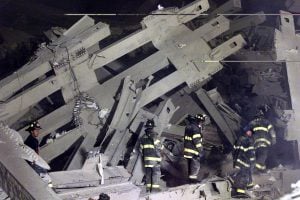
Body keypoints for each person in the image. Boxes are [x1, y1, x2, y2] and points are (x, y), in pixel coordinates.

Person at [229, 126, 255, 198]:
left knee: (239, 176)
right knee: (243, 177)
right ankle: (239, 193)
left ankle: (237, 191)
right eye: (250, 132)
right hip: (245, 162)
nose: (251, 134)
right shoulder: (249, 141)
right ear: (248, 132)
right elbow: (251, 154)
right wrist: (252, 163)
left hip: (238, 161)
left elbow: (234, 151)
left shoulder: (239, 139)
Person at [249, 105, 276, 173]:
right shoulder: (267, 122)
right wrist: (273, 139)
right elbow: (272, 132)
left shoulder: (252, 123)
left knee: (258, 158)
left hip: (255, 145)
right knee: (262, 158)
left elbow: (248, 134)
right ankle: (258, 170)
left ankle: (260, 169)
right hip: (264, 144)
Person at [25, 121, 52, 187]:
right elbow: (33, 155)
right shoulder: (32, 141)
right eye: (36, 130)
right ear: (31, 131)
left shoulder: (30, 140)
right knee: (45, 176)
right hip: (32, 163)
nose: (38, 132)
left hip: (32, 163)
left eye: (38, 130)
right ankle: (50, 189)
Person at [140, 119, 162, 193]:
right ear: (153, 127)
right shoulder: (154, 135)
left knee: (148, 174)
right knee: (156, 173)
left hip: (146, 160)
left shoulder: (143, 137)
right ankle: (155, 189)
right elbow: (159, 146)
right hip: (154, 159)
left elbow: (141, 149)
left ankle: (148, 189)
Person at [183, 113, 206, 183]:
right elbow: (197, 141)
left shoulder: (188, 126)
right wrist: (201, 150)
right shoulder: (196, 128)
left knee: (190, 165)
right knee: (195, 166)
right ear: (200, 121)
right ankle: (193, 180)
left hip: (187, 150)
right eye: (202, 122)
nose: (202, 124)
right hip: (193, 150)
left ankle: (189, 179)